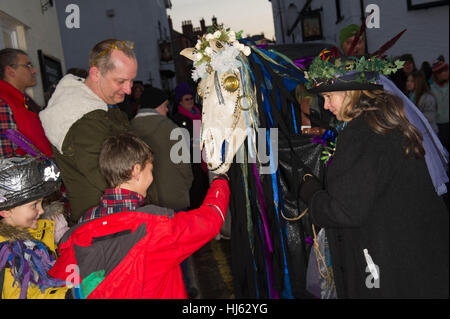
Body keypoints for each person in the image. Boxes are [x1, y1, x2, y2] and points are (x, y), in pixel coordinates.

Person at [300, 55, 449, 298]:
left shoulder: (365, 134)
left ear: (352, 93)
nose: (326, 105)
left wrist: (312, 193)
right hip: (412, 258)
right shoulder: (386, 122)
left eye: (329, 96)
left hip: (385, 264)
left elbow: (346, 211)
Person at [48, 133, 230, 299]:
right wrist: (220, 179)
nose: (151, 177)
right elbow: (211, 219)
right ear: (136, 171)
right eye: (150, 170)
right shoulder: (156, 225)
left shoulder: (83, 224)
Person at [39, 39, 135, 225]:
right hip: (106, 222)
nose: (129, 89)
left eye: (131, 80)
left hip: (104, 217)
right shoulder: (84, 118)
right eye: (121, 81)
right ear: (96, 74)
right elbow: (106, 179)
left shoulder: (95, 111)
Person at [0, 157, 72, 299]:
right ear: (6, 211)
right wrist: (71, 294)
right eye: (34, 205)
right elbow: (23, 295)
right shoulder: (8, 252)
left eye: (41, 203)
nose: (42, 211)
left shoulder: (36, 235)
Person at [130, 86, 193, 210]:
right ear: (157, 105)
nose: (166, 110)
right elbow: (184, 165)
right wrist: (186, 185)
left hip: (143, 200)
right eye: (165, 106)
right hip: (173, 196)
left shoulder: (129, 128)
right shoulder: (171, 128)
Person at [0, 48, 52, 158]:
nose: (34, 71)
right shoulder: (3, 103)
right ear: (10, 71)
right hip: (29, 174)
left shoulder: (24, 101)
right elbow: (6, 157)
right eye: (28, 66)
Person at [171, 82, 209, 209]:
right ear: (180, 102)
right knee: (197, 190)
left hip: (205, 155)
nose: (190, 101)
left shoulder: (200, 112)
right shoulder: (177, 118)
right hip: (192, 160)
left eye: (191, 98)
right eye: (186, 99)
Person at [429, 58, 449, 150]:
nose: (446, 73)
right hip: (437, 125)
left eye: (447, 71)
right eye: (443, 71)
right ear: (437, 74)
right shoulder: (430, 89)